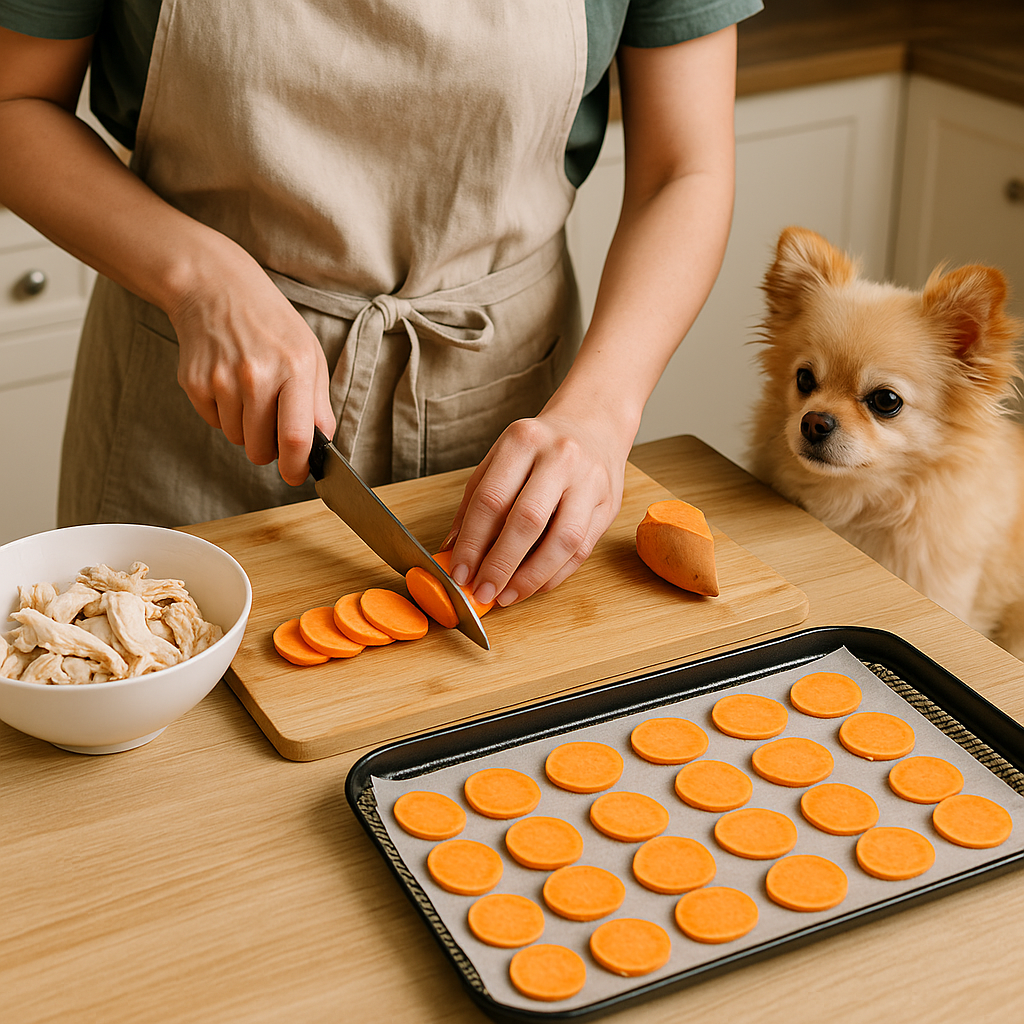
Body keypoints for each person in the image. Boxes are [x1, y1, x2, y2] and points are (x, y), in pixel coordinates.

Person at [0, 0, 761, 610]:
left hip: (513, 411)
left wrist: (600, 412)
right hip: (192, 418)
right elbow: (14, 101)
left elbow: (683, 168)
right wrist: (199, 279)